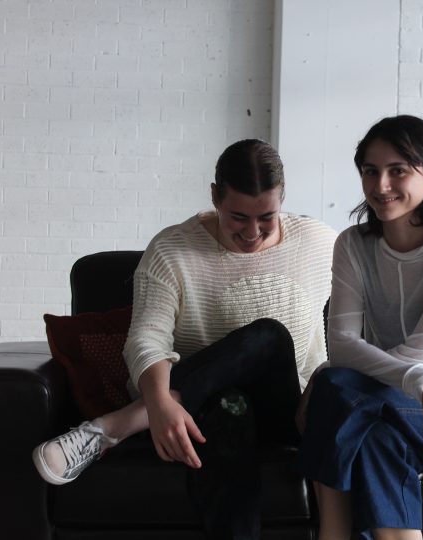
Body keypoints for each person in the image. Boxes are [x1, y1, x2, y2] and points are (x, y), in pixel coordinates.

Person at [32, 138, 337, 539]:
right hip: (202, 410)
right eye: (238, 217)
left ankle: (115, 426)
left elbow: (371, 307)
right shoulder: (172, 250)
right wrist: (159, 404)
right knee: (232, 406)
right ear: (214, 196)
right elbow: (146, 338)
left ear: (282, 198)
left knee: (270, 336)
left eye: (267, 216)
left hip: (290, 411)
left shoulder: (320, 243)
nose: (253, 232)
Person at [296, 115, 423, 540]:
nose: (381, 185)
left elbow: (418, 357)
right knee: (374, 439)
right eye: (370, 171)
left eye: (398, 171)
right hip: (392, 405)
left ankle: (331, 533)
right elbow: (342, 346)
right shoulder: (353, 246)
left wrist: (422, 378)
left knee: (332, 386)